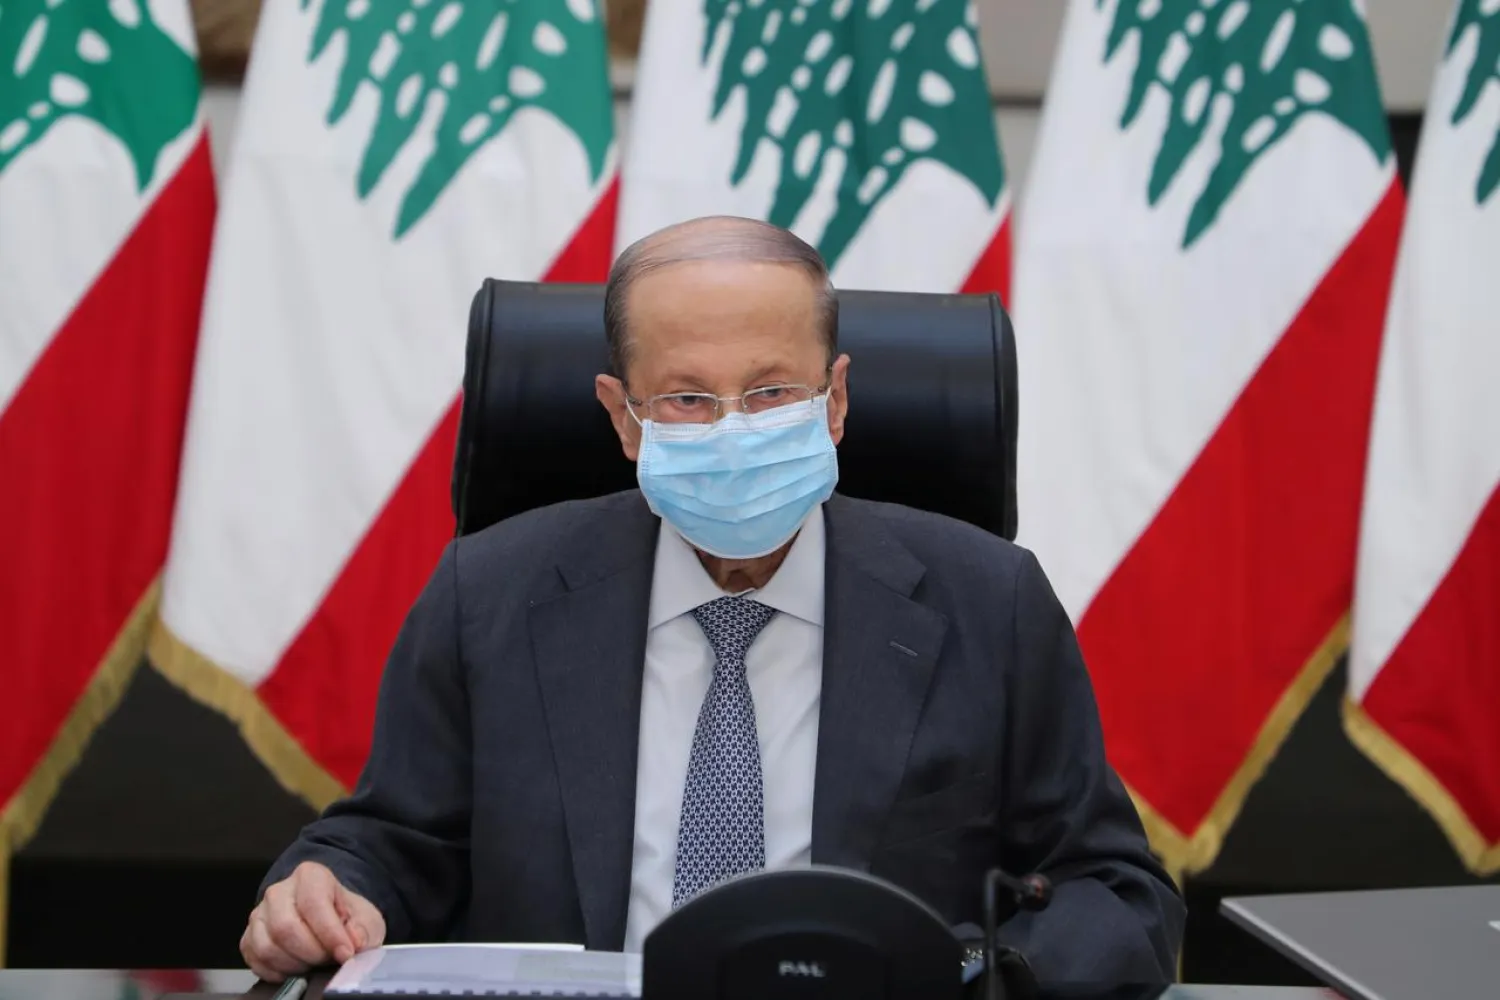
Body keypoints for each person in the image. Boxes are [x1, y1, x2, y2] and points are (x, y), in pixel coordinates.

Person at [241, 216, 1184, 984]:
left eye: (773, 392)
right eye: (687, 400)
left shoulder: (989, 601)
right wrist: (329, 887)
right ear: (621, 416)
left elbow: (1112, 889)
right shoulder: (489, 592)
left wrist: (980, 982)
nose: (735, 432)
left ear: (837, 399)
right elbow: (397, 840)